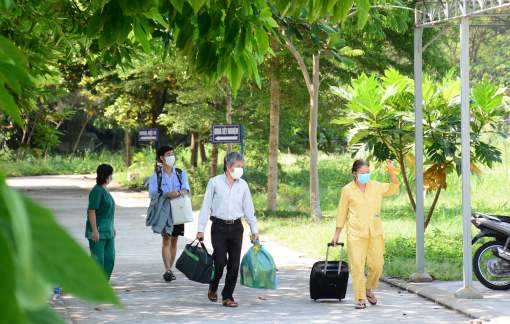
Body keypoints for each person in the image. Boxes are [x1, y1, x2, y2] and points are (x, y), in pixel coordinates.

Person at [331, 159, 400, 309]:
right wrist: (337, 234)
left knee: (377, 265)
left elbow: (393, 188)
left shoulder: (375, 186)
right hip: (355, 233)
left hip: (375, 231)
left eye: (368, 172)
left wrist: (392, 172)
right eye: (363, 173)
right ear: (355, 174)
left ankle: (368, 288)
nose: (366, 175)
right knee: (357, 266)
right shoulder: (347, 190)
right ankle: (361, 298)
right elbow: (341, 212)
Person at [196, 152, 259, 308]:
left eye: (242, 167)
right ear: (229, 167)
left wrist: (254, 230)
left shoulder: (243, 185)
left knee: (234, 264)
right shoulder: (214, 182)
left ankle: (227, 296)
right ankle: (213, 285)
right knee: (220, 261)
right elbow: (206, 206)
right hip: (218, 227)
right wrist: (200, 229)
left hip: (237, 227)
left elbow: (248, 209)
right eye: (238, 167)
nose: (240, 170)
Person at [148, 145, 190, 282]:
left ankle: (170, 270)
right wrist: (167, 194)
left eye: (172, 153)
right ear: (162, 158)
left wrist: (180, 193)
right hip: (164, 211)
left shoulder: (180, 173)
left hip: (178, 210)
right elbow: (153, 194)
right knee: (166, 239)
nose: (171, 156)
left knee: (175, 240)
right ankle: (167, 269)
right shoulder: (156, 176)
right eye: (168, 154)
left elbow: (186, 189)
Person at [86, 164, 116, 281]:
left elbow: (107, 211)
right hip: (98, 229)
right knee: (98, 260)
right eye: (110, 175)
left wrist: (112, 227)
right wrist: (94, 230)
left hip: (108, 230)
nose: (111, 177)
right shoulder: (97, 191)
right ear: (106, 176)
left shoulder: (105, 190)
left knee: (110, 258)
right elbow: (92, 211)